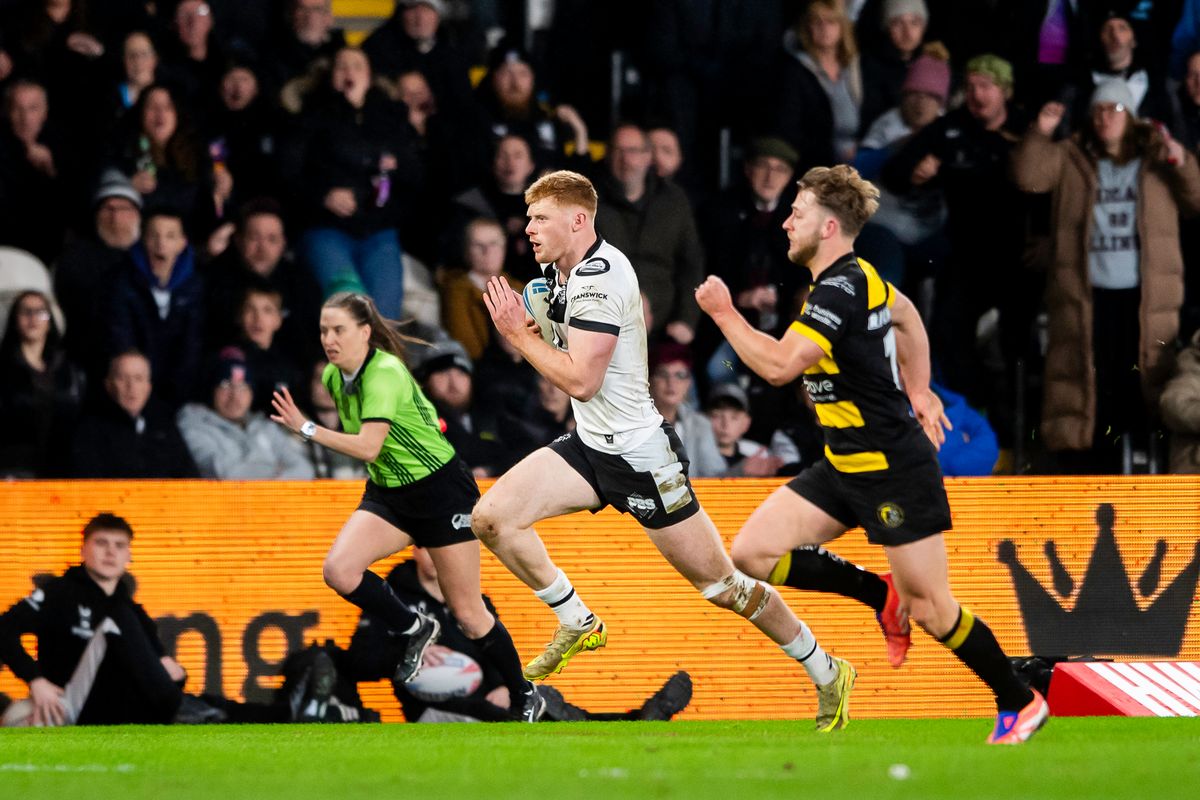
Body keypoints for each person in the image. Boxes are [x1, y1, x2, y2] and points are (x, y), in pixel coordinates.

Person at [475, 170, 856, 732]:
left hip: (641, 459)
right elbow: (572, 369)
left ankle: (827, 669)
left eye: (540, 218)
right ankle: (576, 619)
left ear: (578, 220)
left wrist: (520, 335)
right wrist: (540, 326)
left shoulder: (601, 279)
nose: (528, 229)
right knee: (493, 518)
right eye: (528, 218)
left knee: (722, 586)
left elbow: (580, 381)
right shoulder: (559, 275)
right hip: (589, 446)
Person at [695, 164, 1048, 744]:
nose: (787, 222)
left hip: (893, 468)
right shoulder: (861, 277)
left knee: (933, 609)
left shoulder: (838, 288)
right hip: (844, 465)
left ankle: (1020, 699)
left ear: (828, 226)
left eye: (798, 213)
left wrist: (724, 313)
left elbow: (783, 366)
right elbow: (907, 317)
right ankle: (878, 592)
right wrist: (920, 388)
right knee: (752, 554)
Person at [267, 291, 546, 721]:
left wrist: (306, 427)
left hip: (440, 492)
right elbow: (379, 450)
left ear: (364, 332)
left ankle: (524, 692)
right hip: (390, 492)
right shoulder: (332, 379)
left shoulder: (385, 373)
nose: (329, 339)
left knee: (471, 616)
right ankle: (414, 627)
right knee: (338, 571)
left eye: (338, 329)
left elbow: (367, 445)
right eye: (324, 330)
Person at [1013, 81, 1200, 473]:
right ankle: (1089, 464)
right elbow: (1029, 176)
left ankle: (1144, 461)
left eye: (1114, 109)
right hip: (1086, 294)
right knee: (1088, 380)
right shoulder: (1071, 155)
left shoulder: (1155, 158)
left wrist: (1180, 159)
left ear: (1130, 116)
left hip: (1145, 295)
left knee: (1143, 378)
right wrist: (1041, 130)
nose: (1105, 117)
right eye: (1098, 109)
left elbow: (1196, 198)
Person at [344, 548, 694, 723]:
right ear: (413, 549)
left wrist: (503, 686)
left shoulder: (474, 599)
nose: (437, 555)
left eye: (443, 547)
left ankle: (633, 719)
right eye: (427, 546)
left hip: (490, 697)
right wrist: (408, 651)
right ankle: (634, 721)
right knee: (525, 715)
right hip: (431, 709)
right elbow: (358, 661)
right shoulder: (392, 599)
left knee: (538, 700)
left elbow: (495, 649)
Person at [0, 514, 185, 726]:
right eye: (101, 543)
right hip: (67, 705)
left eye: (119, 545)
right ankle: (180, 709)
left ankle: (193, 709)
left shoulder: (134, 612)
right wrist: (36, 680)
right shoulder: (59, 592)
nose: (110, 552)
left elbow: (165, 669)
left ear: (129, 556)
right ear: (82, 550)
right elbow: (3, 629)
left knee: (184, 681)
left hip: (118, 711)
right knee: (116, 621)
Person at [177, 347, 314, 480]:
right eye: (225, 385)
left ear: (252, 393)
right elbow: (226, 474)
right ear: (212, 390)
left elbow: (305, 469)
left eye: (243, 386)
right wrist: (276, 471)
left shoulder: (265, 426)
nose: (235, 396)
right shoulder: (194, 424)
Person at [71, 350, 199, 478]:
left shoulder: (165, 428)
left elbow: (190, 480)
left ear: (148, 387)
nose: (131, 386)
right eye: (122, 378)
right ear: (109, 385)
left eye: (138, 378)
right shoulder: (89, 431)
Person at [0, 289, 86, 477]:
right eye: (25, 311)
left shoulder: (69, 371)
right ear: (15, 319)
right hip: (13, 470)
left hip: (61, 469)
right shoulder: (4, 368)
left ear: (50, 322)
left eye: (40, 312)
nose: (33, 318)